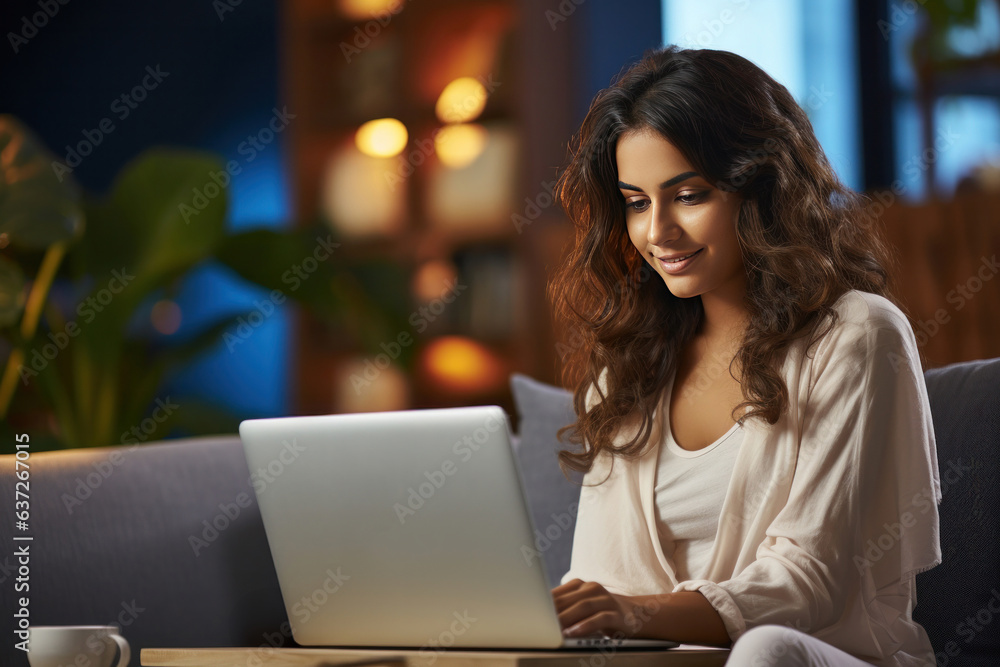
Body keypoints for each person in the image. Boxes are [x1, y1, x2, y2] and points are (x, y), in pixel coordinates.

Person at [545, 46, 942, 667]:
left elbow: (808, 581)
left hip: (813, 654)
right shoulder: (625, 372)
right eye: (636, 202)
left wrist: (637, 613)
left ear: (758, 186)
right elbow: (602, 580)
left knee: (762, 651)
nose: (658, 234)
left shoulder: (858, 335)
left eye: (688, 195)